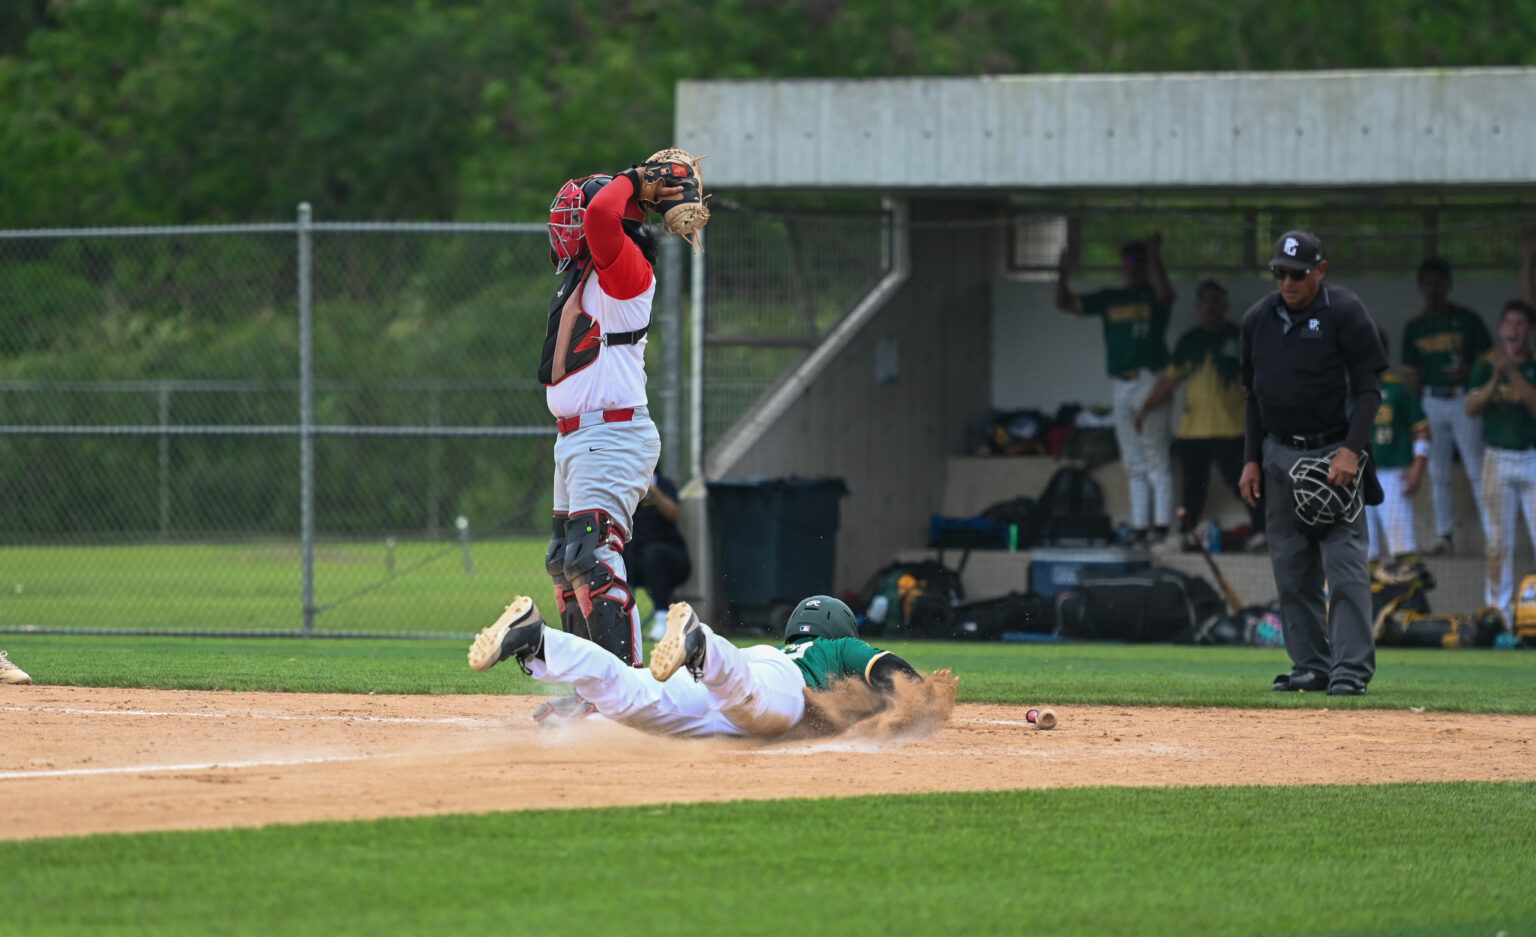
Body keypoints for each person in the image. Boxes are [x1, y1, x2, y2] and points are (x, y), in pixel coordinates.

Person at [532, 162, 682, 724]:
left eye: (577, 215)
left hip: (612, 434)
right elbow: (597, 215)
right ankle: (590, 692)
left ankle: (625, 697)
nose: (569, 223)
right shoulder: (590, 273)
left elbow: (599, 214)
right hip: (578, 439)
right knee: (565, 564)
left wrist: (631, 180)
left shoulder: (627, 267)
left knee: (593, 559)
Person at [466, 594, 947, 739]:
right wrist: (923, 696)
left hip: (725, 684)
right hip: (770, 683)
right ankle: (700, 644)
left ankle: (539, 640)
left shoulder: (782, 649)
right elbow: (889, 669)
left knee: (629, 694)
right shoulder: (837, 649)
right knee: (752, 704)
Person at [1239, 230, 1386, 697]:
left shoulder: (1345, 310)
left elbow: (1369, 388)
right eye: (1280, 273)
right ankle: (1310, 665)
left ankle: (1350, 670)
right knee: (1291, 567)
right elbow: (1251, 396)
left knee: (1344, 567)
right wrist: (1250, 459)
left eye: (1297, 274)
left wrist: (1352, 450)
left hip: (1333, 454)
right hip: (1277, 453)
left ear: (1319, 271)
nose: (1288, 282)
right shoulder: (1257, 320)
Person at [1056, 235, 1176, 545]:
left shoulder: (1153, 294)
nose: (1132, 267)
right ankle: (1140, 527)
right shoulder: (1111, 297)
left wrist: (1155, 256)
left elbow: (1166, 294)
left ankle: (1162, 527)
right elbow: (1065, 304)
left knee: (1156, 456)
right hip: (1121, 383)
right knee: (1132, 459)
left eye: (1138, 261)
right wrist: (1062, 272)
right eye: (1128, 261)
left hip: (1150, 379)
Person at [1135, 279, 1267, 551]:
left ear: (1225, 304)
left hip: (1232, 429)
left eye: (1216, 300)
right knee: (1193, 488)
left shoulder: (1241, 337)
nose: (1210, 305)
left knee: (1245, 483)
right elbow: (1170, 380)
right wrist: (1145, 407)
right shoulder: (1189, 341)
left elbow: (1258, 379)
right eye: (1205, 300)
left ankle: (1263, 532)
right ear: (1198, 305)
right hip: (1192, 431)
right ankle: (1187, 534)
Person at [1400, 257, 1492, 556]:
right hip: (1431, 401)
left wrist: (1471, 372)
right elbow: (1412, 376)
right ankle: (1444, 536)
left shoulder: (1467, 319)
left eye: (1439, 283)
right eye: (1428, 283)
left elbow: (1491, 359)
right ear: (1420, 287)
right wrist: (1415, 419)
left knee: (1476, 468)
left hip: (1464, 399)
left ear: (1449, 285)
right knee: (1437, 471)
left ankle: (1493, 537)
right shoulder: (1415, 326)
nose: (1433, 289)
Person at [1464, 300, 1536, 622]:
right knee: (1497, 542)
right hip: (1497, 459)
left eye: (1520, 324)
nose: (1513, 329)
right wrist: (1496, 376)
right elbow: (1471, 407)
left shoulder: (1532, 364)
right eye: (1509, 323)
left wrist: (1512, 371)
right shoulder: (1485, 365)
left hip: (1531, 456)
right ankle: (1499, 615)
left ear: (1530, 331)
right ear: (1501, 328)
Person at [1366, 327, 1430, 568]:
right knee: (1363, 549)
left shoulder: (1398, 388)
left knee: (1401, 544)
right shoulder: (1347, 390)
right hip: (1357, 475)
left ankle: (1407, 587)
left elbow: (1422, 431)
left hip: (1392, 476)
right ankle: (1369, 592)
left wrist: (1418, 467)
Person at [628, 472, 692, 642]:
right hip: (637, 561)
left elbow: (673, 513)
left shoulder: (664, 485)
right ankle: (619, 622)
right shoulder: (628, 489)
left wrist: (653, 490)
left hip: (670, 560)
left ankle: (662, 620)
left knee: (653, 554)